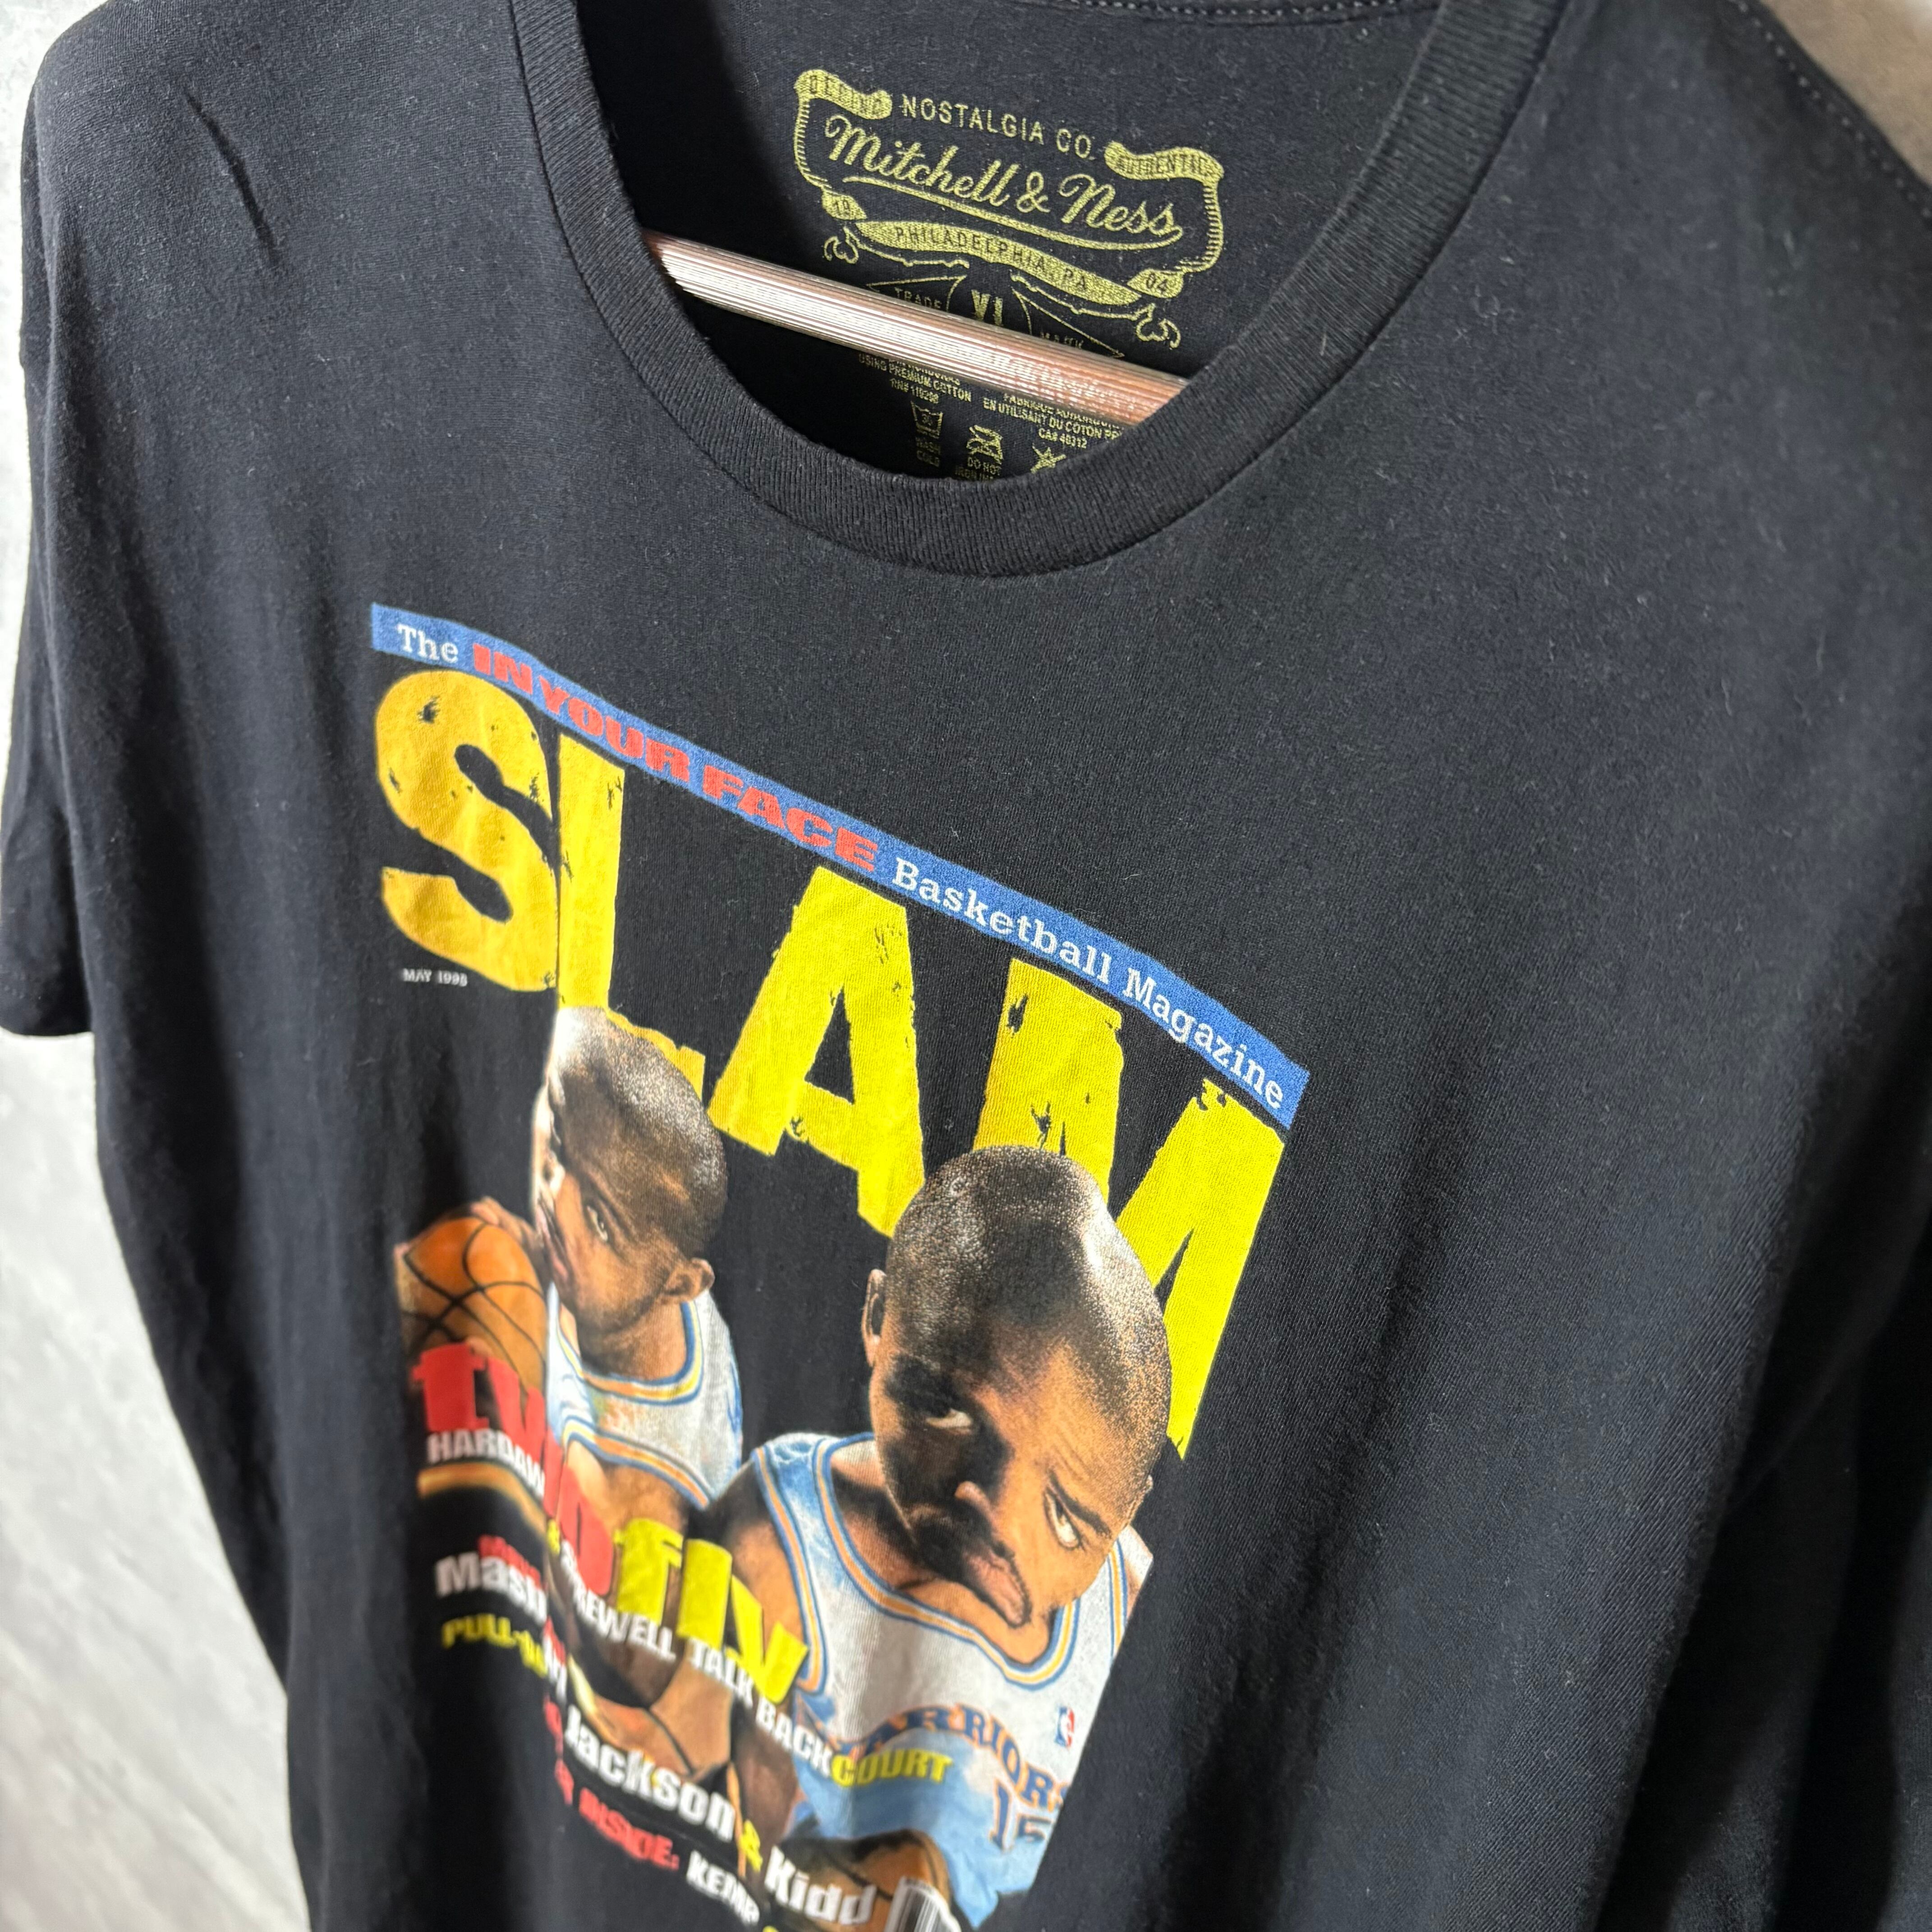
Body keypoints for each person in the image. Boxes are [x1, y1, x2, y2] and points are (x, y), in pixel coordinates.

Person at [653, 1145, 1169, 1932]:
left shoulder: (1128, 1608)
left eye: (1067, 1517)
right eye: (949, 1413)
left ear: (1128, 1510)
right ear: (876, 1320)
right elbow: (721, 1858)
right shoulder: (782, 1534)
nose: (995, 1515)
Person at [399, 1006, 740, 1702]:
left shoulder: (658, 1472)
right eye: (558, 1152)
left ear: (682, 1285)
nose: (555, 1200)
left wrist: (509, 1326)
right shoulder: (613, 1271)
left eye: (600, 1221)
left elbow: (635, 1668)